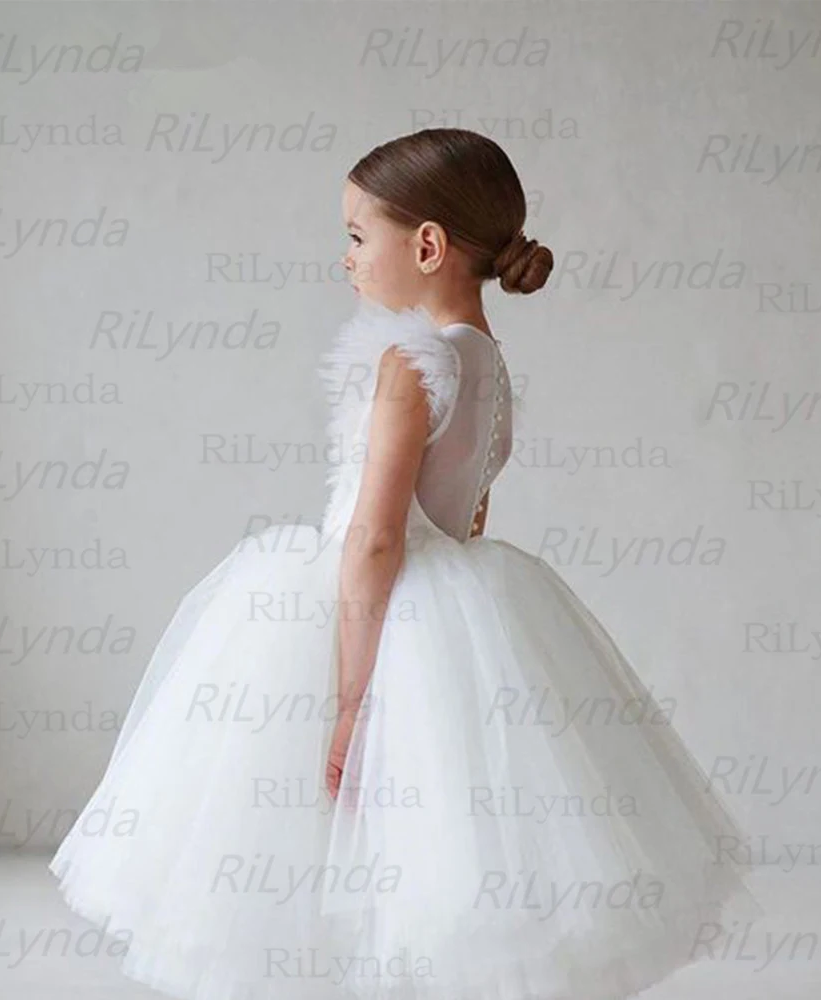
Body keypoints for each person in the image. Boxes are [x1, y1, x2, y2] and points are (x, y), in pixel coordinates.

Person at [49, 127, 762, 1000]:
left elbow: (376, 536)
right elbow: (469, 513)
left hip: (375, 620)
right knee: (446, 846)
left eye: (357, 235)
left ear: (427, 246)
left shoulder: (411, 364)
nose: (345, 258)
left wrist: (350, 705)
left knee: (312, 845)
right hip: (462, 616)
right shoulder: (486, 361)